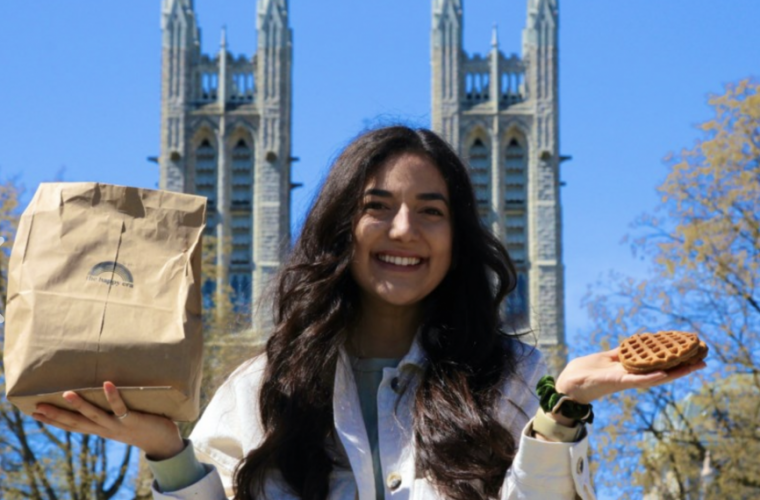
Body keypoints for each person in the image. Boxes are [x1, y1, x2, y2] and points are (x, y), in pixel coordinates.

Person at [32, 126, 705, 500]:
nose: (404, 228)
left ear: (458, 239)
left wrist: (563, 411)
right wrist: (168, 454)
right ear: (340, 228)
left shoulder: (516, 377)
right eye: (377, 206)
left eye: (431, 212)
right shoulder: (261, 387)